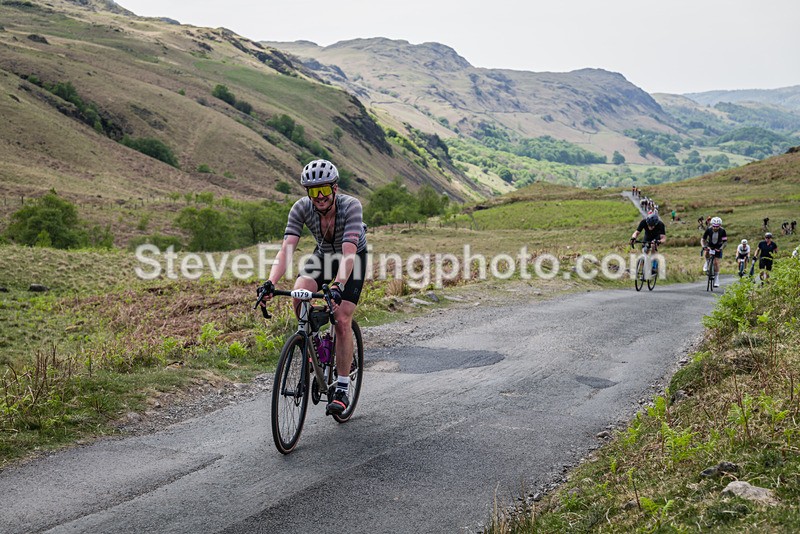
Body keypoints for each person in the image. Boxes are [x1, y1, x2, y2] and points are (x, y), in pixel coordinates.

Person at [259, 159, 368, 416]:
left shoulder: (351, 206)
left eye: (324, 190)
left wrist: (339, 285)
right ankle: (315, 345)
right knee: (299, 293)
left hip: (353, 259)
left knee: (341, 318)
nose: (319, 196)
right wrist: (270, 283)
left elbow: (349, 253)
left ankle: (341, 388)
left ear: (335, 189)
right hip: (322, 256)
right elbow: (286, 249)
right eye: (313, 190)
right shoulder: (301, 208)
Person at [701, 217, 727, 287]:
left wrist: (721, 249)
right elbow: (703, 239)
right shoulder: (708, 230)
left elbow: (725, 242)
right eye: (714, 226)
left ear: (720, 226)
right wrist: (704, 246)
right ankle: (707, 262)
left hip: (718, 246)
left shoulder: (722, 231)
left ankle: (716, 279)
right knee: (706, 252)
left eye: (717, 226)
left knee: (716, 262)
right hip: (710, 245)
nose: (715, 228)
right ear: (711, 225)